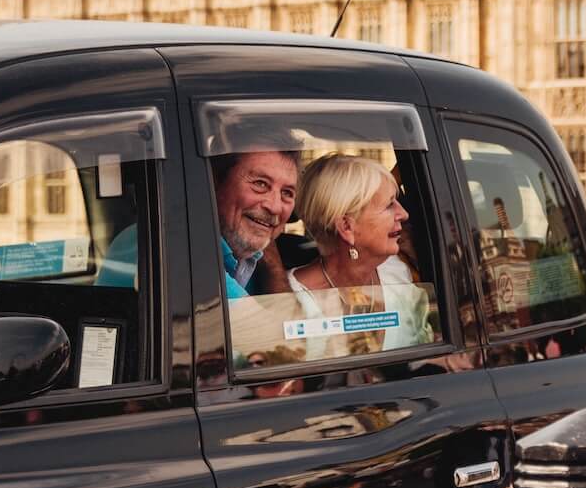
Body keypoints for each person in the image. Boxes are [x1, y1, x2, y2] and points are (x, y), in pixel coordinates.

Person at [282, 153, 433, 361]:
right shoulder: (288, 298)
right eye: (389, 205)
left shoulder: (396, 272)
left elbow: (422, 355)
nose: (403, 214)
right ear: (346, 227)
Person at [98, 149, 295, 297]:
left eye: (287, 193)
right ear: (213, 184)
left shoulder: (245, 252)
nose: (275, 207)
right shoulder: (173, 242)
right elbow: (283, 344)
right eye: (260, 184)